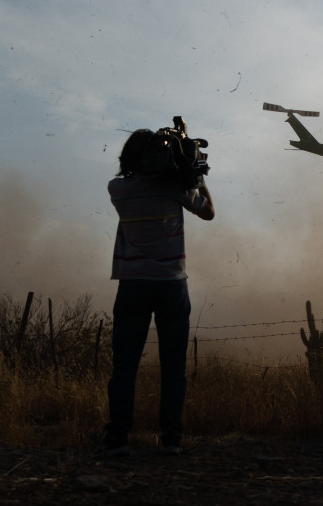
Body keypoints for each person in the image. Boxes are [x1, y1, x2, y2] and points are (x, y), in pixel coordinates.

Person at [102, 128, 214, 456]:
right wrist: (195, 172)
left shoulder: (117, 189)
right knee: (173, 367)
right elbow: (208, 211)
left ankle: (118, 437)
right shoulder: (175, 188)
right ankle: (171, 439)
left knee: (124, 365)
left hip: (132, 285)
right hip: (172, 286)